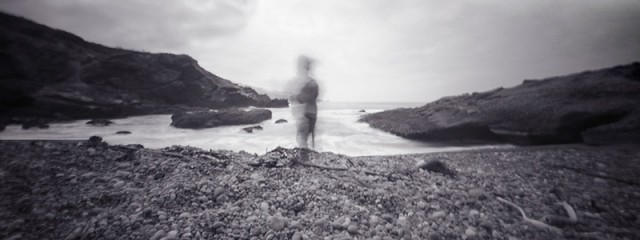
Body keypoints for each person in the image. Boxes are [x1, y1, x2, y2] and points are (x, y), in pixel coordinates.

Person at [287, 55, 319, 161]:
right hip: (309, 113)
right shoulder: (309, 83)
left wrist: (296, 97)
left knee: (302, 137)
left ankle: (304, 160)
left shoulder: (311, 84)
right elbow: (305, 96)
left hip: (307, 114)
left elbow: (306, 97)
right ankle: (306, 157)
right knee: (303, 137)